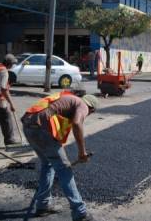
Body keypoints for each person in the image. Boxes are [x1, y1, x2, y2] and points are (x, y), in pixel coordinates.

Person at [21, 92, 99, 221]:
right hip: (40, 128)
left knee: (48, 164)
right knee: (64, 169)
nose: (88, 115)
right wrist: (82, 152)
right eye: (90, 113)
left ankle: (43, 204)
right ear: (92, 108)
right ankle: (80, 212)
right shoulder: (82, 105)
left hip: (28, 125)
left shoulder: (68, 100)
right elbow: (76, 123)